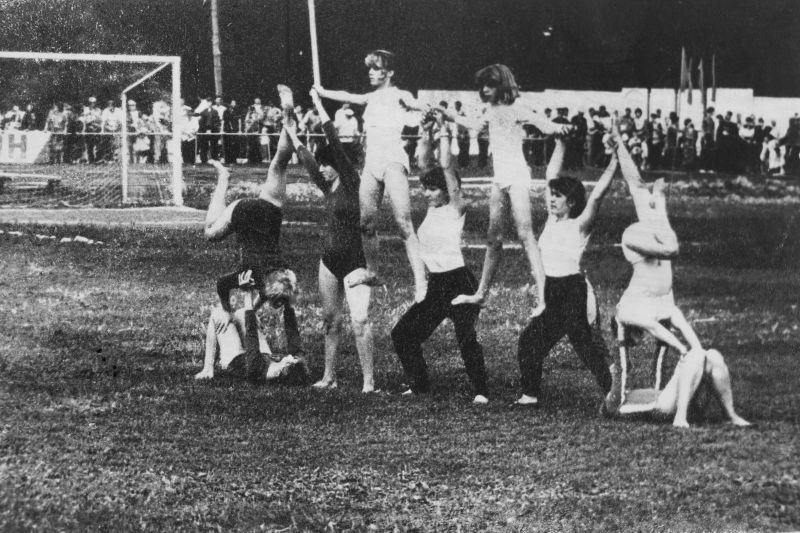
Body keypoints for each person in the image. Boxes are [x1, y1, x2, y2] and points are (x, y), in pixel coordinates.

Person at [606, 132, 750, 428]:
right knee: (694, 356)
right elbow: (671, 250)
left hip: (662, 297)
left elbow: (635, 182)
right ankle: (680, 418)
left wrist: (620, 144)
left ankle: (731, 414)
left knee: (711, 355)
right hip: (661, 408)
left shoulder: (654, 226)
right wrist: (660, 202)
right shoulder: (634, 238)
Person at [443, 64, 570, 316]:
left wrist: (560, 128)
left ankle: (545, 299)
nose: (484, 90)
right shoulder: (490, 110)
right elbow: (474, 125)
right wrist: (449, 115)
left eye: (489, 85)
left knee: (526, 235)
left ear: (502, 86)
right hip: (499, 179)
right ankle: (480, 294)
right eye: (482, 86)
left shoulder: (517, 108)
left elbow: (545, 125)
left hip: (517, 176)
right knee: (493, 239)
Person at [281, 86, 377, 393]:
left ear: (338, 164)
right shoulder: (327, 186)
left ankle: (369, 381)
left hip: (355, 260)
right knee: (330, 321)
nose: (322, 168)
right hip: (329, 262)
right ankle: (329, 376)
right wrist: (291, 131)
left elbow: (333, 140)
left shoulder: (351, 182)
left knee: (359, 320)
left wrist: (318, 104)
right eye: (322, 165)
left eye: (327, 164)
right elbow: (307, 159)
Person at [314, 49, 429, 303]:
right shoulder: (370, 97)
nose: (371, 73)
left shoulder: (400, 95)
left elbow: (416, 104)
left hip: (393, 161)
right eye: (370, 68)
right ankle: (372, 271)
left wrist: (427, 109)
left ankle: (421, 281)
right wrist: (322, 92)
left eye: (376, 69)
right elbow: (348, 96)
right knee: (366, 224)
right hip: (372, 163)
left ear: (390, 72)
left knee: (403, 223)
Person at [513, 133, 618, 406]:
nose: (551, 200)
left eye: (557, 197)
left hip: (572, 290)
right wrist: (560, 142)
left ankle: (613, 391)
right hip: (551, 291)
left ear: (571, 202)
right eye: (552, 195)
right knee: (529, 341)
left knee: (583, 345)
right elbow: (551, 174)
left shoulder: (580, 225)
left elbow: (598, 195)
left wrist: (615, 159)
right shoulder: (551, 220)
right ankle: (530, 394)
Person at [391, 110, 488, 404]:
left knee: (466, 339)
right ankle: (419, 384)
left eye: (432, 189)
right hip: (436, 285)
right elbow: (424, 162)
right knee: (403, 333)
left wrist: (444, 129)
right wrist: (426, 131)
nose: (427, 194)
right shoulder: (432, 210)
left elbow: (446, 167)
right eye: (425, 189)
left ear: (447, 190)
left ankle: (481, 391)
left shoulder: (456, 208)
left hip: (459, 283)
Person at [203, 99, 303, 379]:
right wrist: (227, 308)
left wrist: (258, 304)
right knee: (210, 232)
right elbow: (222, 284)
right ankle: (223, 179)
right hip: (243, 213)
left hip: (269, 213)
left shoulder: (287, 275)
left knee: (279, 163)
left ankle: (288, 117)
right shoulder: (250, 275)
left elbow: (278, 297)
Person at [194, 270, 308, 385]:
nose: (290, 356)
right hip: (263, 355)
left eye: (290, 360)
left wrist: (247, 293)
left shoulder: (257, 369)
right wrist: (288, 302)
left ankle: (207, 369)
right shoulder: (292, 368)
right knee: (241, 313)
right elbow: (293, 334)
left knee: (219, 314)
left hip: (235, 359)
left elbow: (251, 334)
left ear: (281, 370)